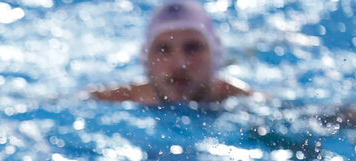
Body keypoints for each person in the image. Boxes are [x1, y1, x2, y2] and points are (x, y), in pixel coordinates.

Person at [91, 1, 251, 104]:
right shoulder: (115, 99)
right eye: (163, 50)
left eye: (193, 48)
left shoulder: (245, 101)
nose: (180, 64)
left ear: (216, 54)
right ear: (145, 58)